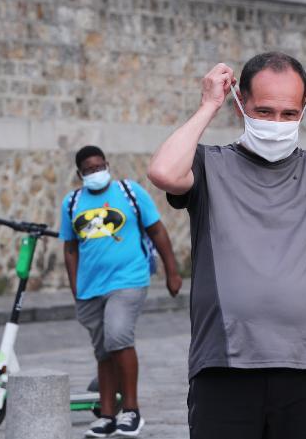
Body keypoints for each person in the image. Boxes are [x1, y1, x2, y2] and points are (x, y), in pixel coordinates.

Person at [147, 52, 306, 439]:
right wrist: (208, 105)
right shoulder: (208, 164)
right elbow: (163, 172)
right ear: (241, 106)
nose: (276, 123)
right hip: (223, 366)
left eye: (288, 113)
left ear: (303, 112)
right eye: (264, 111)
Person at [60, 145, 183, 438]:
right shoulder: (72, 202)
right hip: (91, 287)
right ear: (80, 174)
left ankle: (131, 411)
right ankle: (106, 415)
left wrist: (172, 272)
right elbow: (70, 248)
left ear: (107, 165)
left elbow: (157, 231)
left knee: (118, 337)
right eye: (89, 170)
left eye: (99, 166)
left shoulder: (129, 192)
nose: (95, 172)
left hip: (129, 279)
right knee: (104, 350)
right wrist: (75, 287)